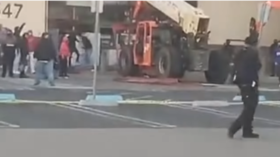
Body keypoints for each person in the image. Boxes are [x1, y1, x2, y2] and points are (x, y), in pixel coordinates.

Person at [228, 37, 262, 139]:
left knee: (248, 106)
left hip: (241, 81)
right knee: (250, 107)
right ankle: (234, 128)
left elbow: (234, 65)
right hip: (250, 81)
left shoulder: (240, 52)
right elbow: (257, 66)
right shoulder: (253, 53)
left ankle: (247, 130)